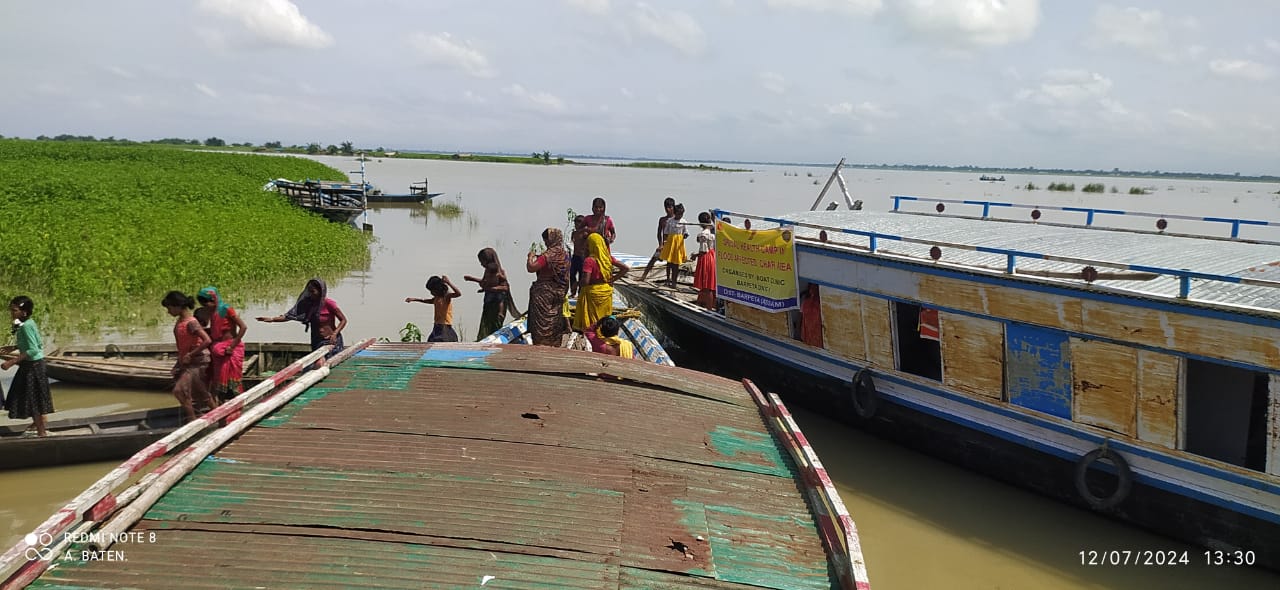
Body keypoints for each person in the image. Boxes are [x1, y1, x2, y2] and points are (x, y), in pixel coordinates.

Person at [162, 291, 219, 422]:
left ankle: (192, 420)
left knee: (179, 391)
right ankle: (217, 416)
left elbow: (207, 340)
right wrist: (180, 362)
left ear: (177, 306)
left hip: (198, 361)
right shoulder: (181, 321)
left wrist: (190, 355)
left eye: (169, 308)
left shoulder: (191, 322)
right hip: (189, 361)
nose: (169, 311)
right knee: (200, 393)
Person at [1, 296, 53, 437]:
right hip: (31, 365)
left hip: (33, 367)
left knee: (34, 401)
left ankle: (42, 433)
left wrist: (11, 362)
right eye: (11, 310)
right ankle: (38, 424)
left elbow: (33, 350)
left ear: (24, 312)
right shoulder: (24, 323)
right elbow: (34, 343)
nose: (12, 313)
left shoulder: (26, 326)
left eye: (15, 310)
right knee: (31, 397)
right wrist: (13, 347)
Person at [257, 278, 347, 359]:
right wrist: (272, 319)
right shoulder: (307, 304)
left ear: (321, 291)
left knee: (327, 362)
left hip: (330, 340)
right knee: (319, 362)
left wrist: (335, 334)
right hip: (317, 340)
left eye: (313, 292)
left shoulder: (329, 303)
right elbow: (289, 316)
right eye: (309, 291)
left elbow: (343, 320)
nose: (311, 294)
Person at [196, 286, 247, 402]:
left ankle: (238, 403)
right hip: (218, 349)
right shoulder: (211, 312)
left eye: (206, 303)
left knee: (232, 380)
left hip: (230, 348)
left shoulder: (226, 309)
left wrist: (232, 346)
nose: (205, 307)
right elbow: (213, 329)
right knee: (218, 379)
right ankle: (220, 403)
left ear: (214, 299)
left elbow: (243, 327)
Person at [573, 233, 630, 332]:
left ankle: (592, 336)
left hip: (593, 294)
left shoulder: (589, 261)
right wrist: (612, 279)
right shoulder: (607, 258)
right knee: (603, 319)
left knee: (592, 323)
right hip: (605, 291)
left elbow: (585, 281)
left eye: (587, 244)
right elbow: (625, 268)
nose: (586, 246)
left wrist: (576, 284)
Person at [526, 227, 571, 346]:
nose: (546, 243)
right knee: (555, 319)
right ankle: (554, 344)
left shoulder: (548, 255)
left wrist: (530, 256)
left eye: (546, 240)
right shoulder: (565, 255)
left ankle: (541, 343)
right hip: (559, 292)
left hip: (544, 294)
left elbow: (531, 268)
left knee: (542, 321)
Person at [465, 248, 516, 341]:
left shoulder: (499, 273)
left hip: (497, 304)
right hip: (488, 303)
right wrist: (472, 279)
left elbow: (505, 288)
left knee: (495, 327)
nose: (481, 264)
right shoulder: (487, 271)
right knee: (485, 327)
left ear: (488, 260)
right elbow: (485, 282)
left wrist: (491, 289)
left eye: (482, 261)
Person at [407, 275, 461, 342]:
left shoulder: (446, 296)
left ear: (438, 289)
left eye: (432, 291)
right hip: (437, 326)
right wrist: (415, 299)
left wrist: (448, 283)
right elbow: (428, 301)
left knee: (440, 342)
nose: (431, 293)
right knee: (431, 342)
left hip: (445, 327)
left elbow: (458, 294)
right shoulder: (437, 298)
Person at [639, 197, 677, 281]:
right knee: (653, 259)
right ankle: (643, 276)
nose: (668, 209)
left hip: (673, 245)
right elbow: (659, 233)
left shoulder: (677, 220)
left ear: (673, 207)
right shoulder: (662, 219)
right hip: (664, 245)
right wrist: (660, 244)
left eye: (670, 207)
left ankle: (670, 280)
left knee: (672, 264)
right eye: (666, 207)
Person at [692, 211, 717, 310]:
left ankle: (709, 308)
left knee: (707, 285)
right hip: (712, 256)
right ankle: (706, 304)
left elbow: (703, 250)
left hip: (706, 258)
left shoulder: (703, 234)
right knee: (709, 284)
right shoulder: (711, 231)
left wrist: (695, 255)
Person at [659, 203, 688, 287]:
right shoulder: (670, 221)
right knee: (669, 262)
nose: (680, 215)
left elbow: (685, 232)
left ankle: (674, 282)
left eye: (682, 214)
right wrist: (664, 242)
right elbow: (666, 233)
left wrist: (685, 235)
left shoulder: (684, 222)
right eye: (678, 214)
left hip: (679, 244)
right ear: (675, 213)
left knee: (676, 264)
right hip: (670, 243)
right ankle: (668, 279)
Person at [569, 215, 589, 297]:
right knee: (572, 274)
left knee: (581, 275)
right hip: (575, 256)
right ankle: (573, 292)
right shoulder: (574, 233)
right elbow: (572, 243)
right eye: (575, 223)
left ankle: (581, 293)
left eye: (579, 223)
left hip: (582, 257)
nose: (577, 225)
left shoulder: (585, 234)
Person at [799, 283, 823, 348]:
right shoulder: (821, 304)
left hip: (807, 330)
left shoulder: (806, 302)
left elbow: (801, 318)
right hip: (817, 332)